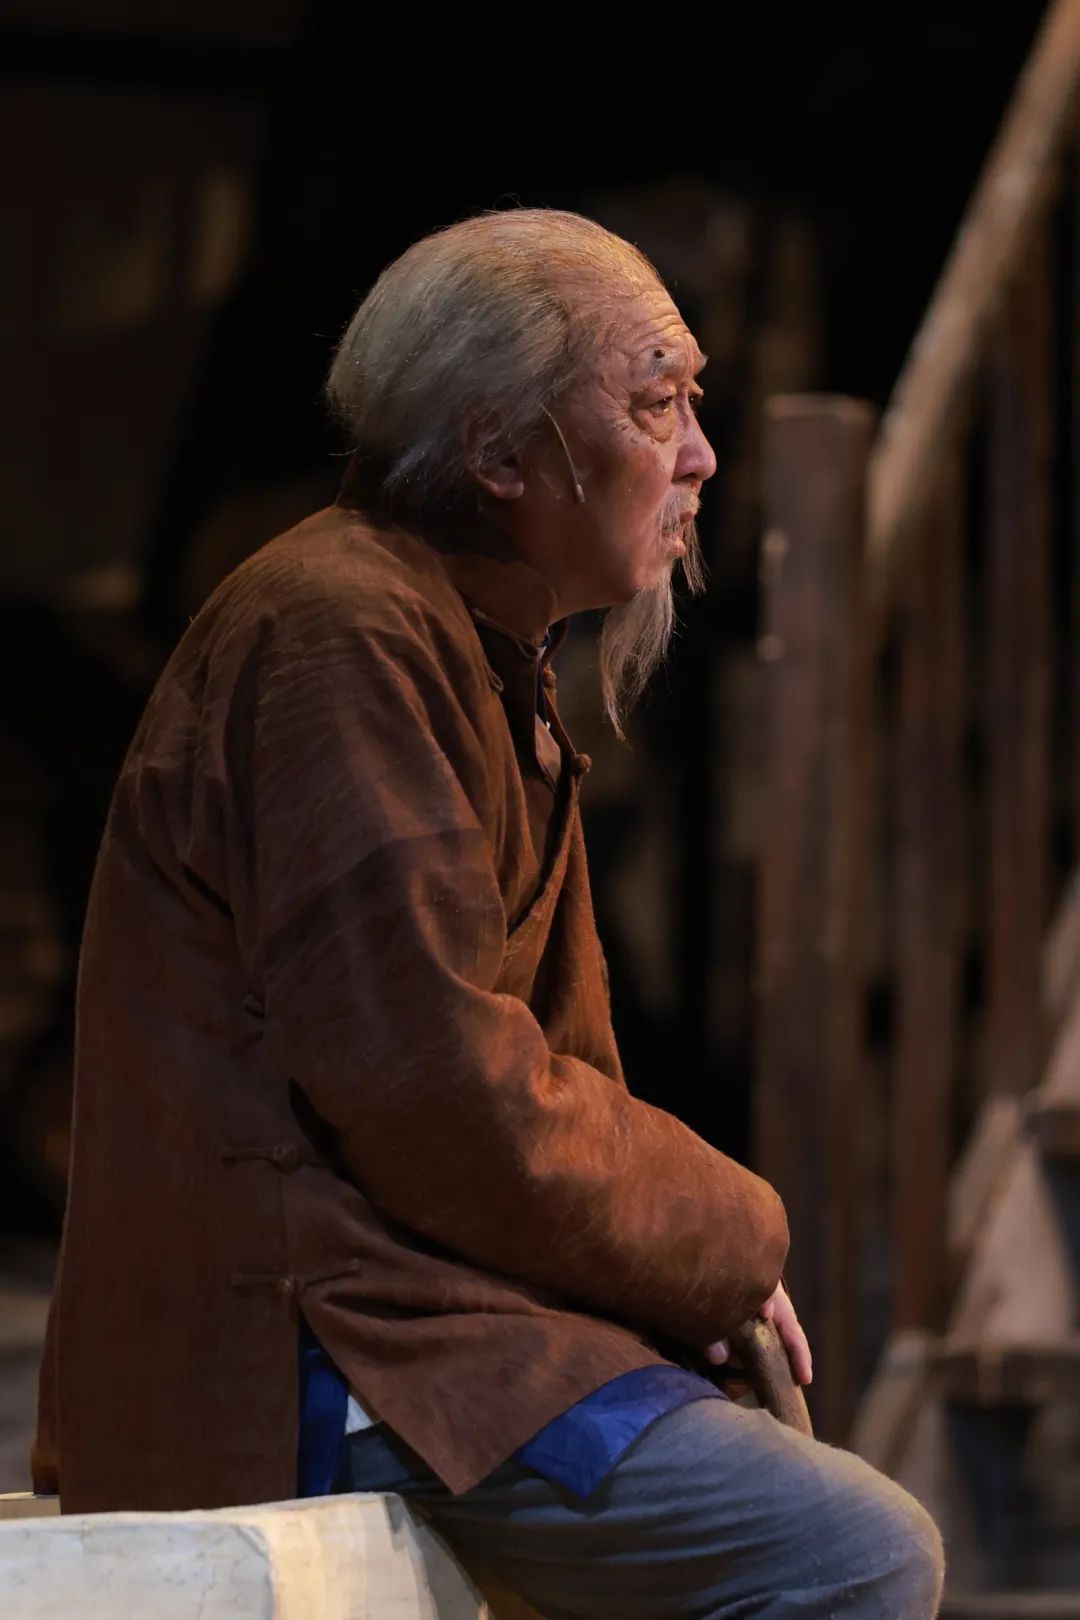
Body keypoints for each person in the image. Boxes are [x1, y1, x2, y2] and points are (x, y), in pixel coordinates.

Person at [35, 209, 943, 1617]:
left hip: (417, 1303)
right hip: (325, 1329)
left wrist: (667, 1276)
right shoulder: (341, 633)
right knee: (850, 1549)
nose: (702, 455)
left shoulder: (473, 647)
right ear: (502, 456)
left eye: (694, 401)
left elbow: (546, 1072)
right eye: (654, 405)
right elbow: (440, 1094)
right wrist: (729, 1235)